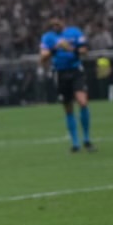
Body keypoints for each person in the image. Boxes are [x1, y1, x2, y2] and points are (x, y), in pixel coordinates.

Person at [40, 17, 95, 152]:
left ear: (63, 22)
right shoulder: (48, 37)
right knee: (68, 107)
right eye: (53, 24)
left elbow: (85, 50)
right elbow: (43, 57)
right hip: (60, 74)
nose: (55, 25)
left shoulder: (74, 32)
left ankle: (87, 139)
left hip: (76, 71)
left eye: (57, 22)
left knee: (82, 102)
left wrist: (71, 49)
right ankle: (75, 143)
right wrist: (56, 47)